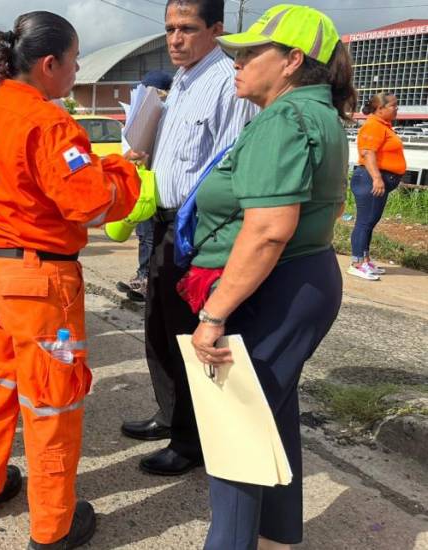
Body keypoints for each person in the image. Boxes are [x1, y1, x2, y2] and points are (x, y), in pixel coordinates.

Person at [0, 12, 141, 549]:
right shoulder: (50, 123)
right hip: (39, 284)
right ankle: (52, 526)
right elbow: (88, 203)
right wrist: (124, 170)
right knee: (51, 403)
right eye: (75, 60)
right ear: (49, 64)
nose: (77, 69)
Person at [187, 5, 354, 548]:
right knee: (271, 411)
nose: (236, 61)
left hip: (276, 281)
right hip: (303, 277)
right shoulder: (319, 112)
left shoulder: (284, 119)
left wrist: (214, 315)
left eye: (250, 52)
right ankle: (278, 531)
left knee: (233, 425)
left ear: (292, 62)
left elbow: (267, 231)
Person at [120, 0, 258, 477]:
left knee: (188, 332)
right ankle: (169, 414)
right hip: (160, 222)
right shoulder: (179, 80)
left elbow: (230, 163)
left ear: (217, 29)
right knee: (158, 326)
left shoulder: (226, 84)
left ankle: (191, 440)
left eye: (187, 28)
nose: (175, 39)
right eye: (169, 29)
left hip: (197, 227)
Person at [115, 70, 173, 303]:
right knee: (142, 233)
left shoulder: (166, 114)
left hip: (154, 184)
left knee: (150, 235)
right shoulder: (141, 113)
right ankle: (141, 276)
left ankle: (147, 279)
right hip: (140, 181)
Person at [348, 92, 406, 281]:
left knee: (370, 222)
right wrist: (377, 178)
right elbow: (368, 153)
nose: (397, 108)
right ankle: (356, 263)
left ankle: (365, 259)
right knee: (364, 222)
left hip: (375, 179)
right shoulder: (373, 125)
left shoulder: (384, 126)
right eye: (393, 105)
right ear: (380, 109)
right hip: (369, 179)